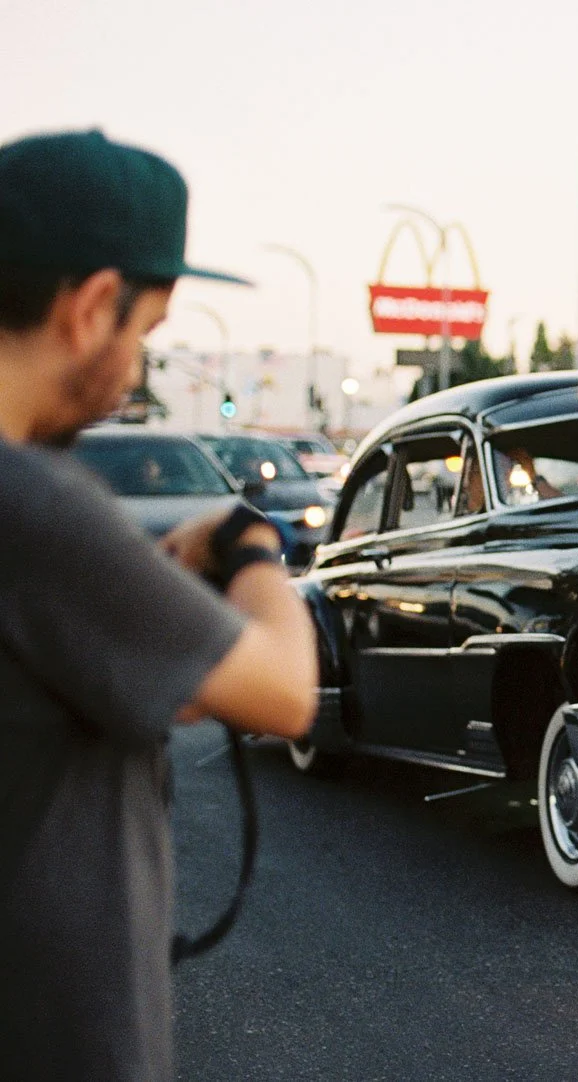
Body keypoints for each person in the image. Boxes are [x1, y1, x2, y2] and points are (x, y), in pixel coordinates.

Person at [0, 130, 317, 1081]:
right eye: (145, 331)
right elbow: (283, 690)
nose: (136, 366)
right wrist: (252, 547)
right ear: (93, 305)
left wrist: (154, 582)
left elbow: (135, 681)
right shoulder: (33, 504)